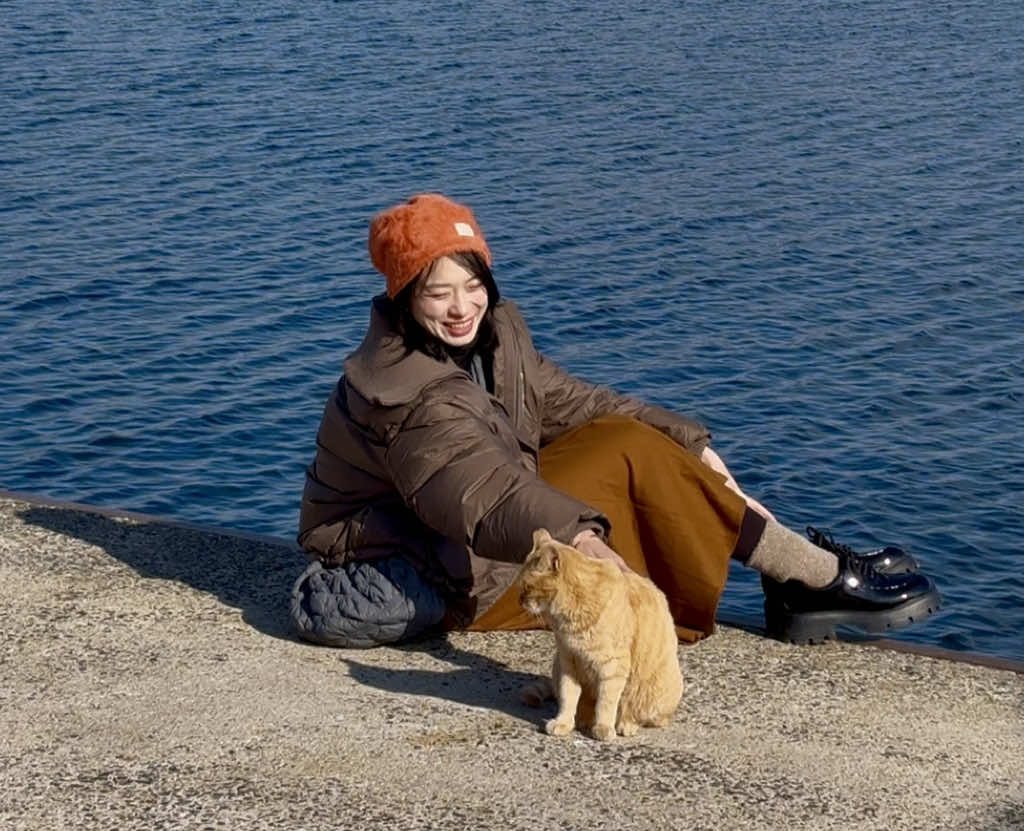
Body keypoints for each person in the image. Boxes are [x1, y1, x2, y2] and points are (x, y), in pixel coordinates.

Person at [291, 193, 941, 650]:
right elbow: (487, 496)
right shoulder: (406, 393)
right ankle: (811, 576)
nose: (463, 307)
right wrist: (586, 543)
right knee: (612, 515)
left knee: (636, 443)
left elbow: (577, 404)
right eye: (439, 293)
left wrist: (692, 446)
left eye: (473, 284)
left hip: (479, 519)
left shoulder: (495, 332)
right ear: (406, 300)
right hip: (430, 554)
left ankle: (795, 572)